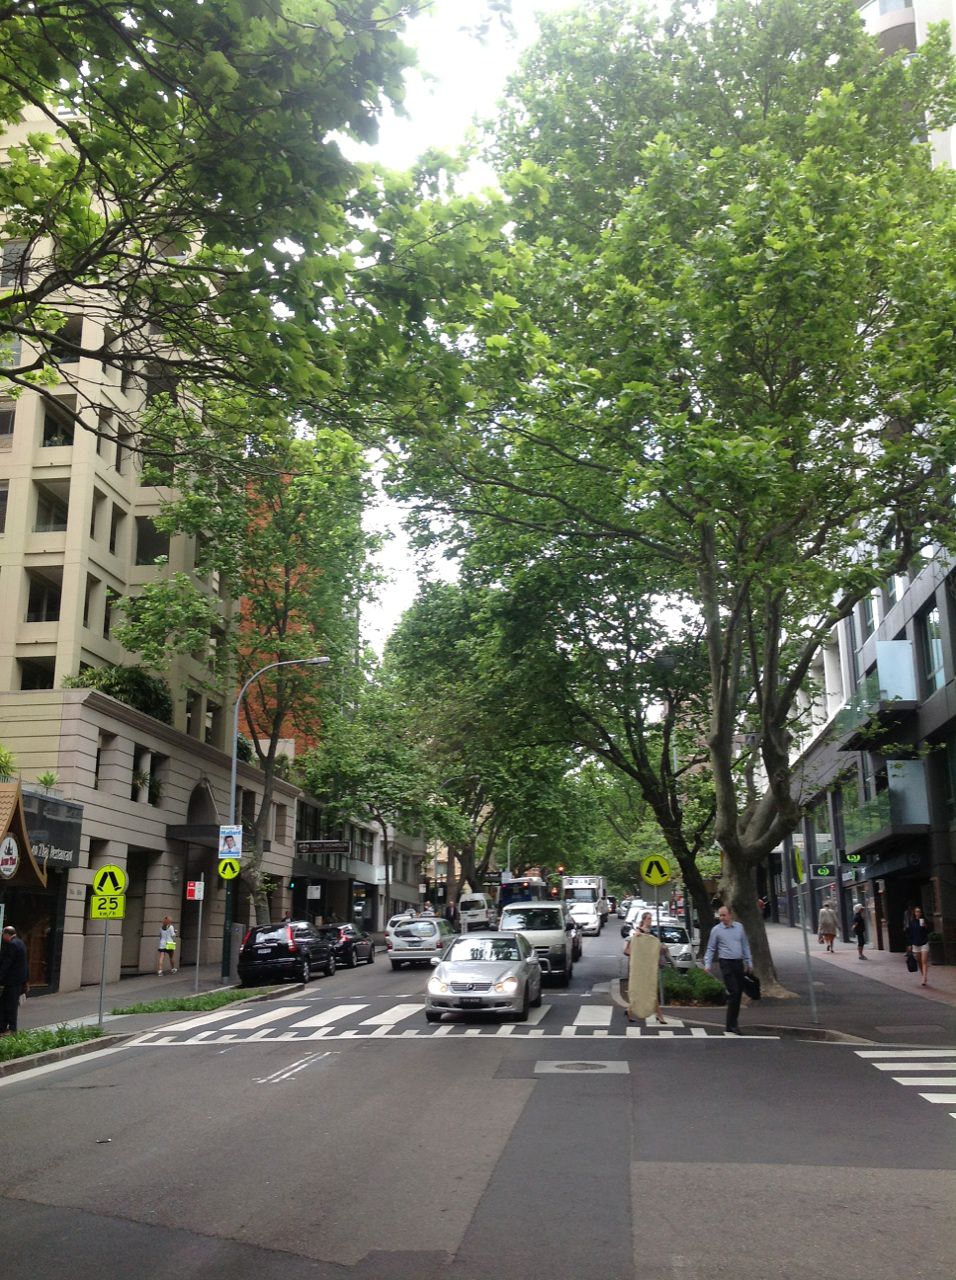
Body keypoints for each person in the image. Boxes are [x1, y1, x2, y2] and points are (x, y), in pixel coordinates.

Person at [703, 905, 753, 1035]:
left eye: (724, 915)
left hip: (738, 963)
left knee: (737, 994)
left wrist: (749, 962)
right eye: (720, 915)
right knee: (734, 992)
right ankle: (733, 1024)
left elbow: (745, 945)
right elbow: (711, 948)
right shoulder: (716, 930)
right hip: (726, 963)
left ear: (731, 915)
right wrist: (707, 964)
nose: (721, 918)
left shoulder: (739, 928)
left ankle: (730, 1024)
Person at [624, 911, 667, 1026]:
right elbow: (635, 943)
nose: (650, 920)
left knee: (649, 990)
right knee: (643, 990)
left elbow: (652, 948)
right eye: (648, 918)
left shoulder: (651, 934)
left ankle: (629, 1011)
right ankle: (659, 1015)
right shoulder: (639, 932)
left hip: (648, 967)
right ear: (643, 920)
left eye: (651, 918)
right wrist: (638, 936)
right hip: (640, 967)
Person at [0, 925, 30, 1035]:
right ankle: (4, 1027)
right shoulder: (20, 942)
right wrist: (26, 979)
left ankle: (11, 1029)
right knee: (5, 1004)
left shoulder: (12, 945)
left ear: (7, 934)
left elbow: (7, 963)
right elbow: (25, 963)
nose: (2, 937)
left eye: (3, 935)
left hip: (12, 981)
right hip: (18, 980)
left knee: (10, 1005)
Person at [905, 906, 931, 987]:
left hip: (924, 943)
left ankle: (924, 978)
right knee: (919, 961)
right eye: (916, 912)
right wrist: (909, 944)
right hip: (915, 944)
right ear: (914, 913)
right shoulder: (912, 922)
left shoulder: (924, 921)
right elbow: (909, 934)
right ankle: (923, 975)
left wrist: (925, 927)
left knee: (924, 960)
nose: (918, 913)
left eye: (919, 912)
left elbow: (928, 931)